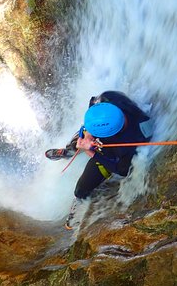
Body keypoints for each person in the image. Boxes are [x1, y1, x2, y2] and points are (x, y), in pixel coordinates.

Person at [45, 91, 152, 229]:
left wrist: (92, 153)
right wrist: (89, 134)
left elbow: (122, 170)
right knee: (81, 137)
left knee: (80, 190)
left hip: (108, 153)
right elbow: (93, 106)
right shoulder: (109, 98)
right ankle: (69, 151)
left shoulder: (131, 143)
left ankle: (79, 199)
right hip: (98, 128)